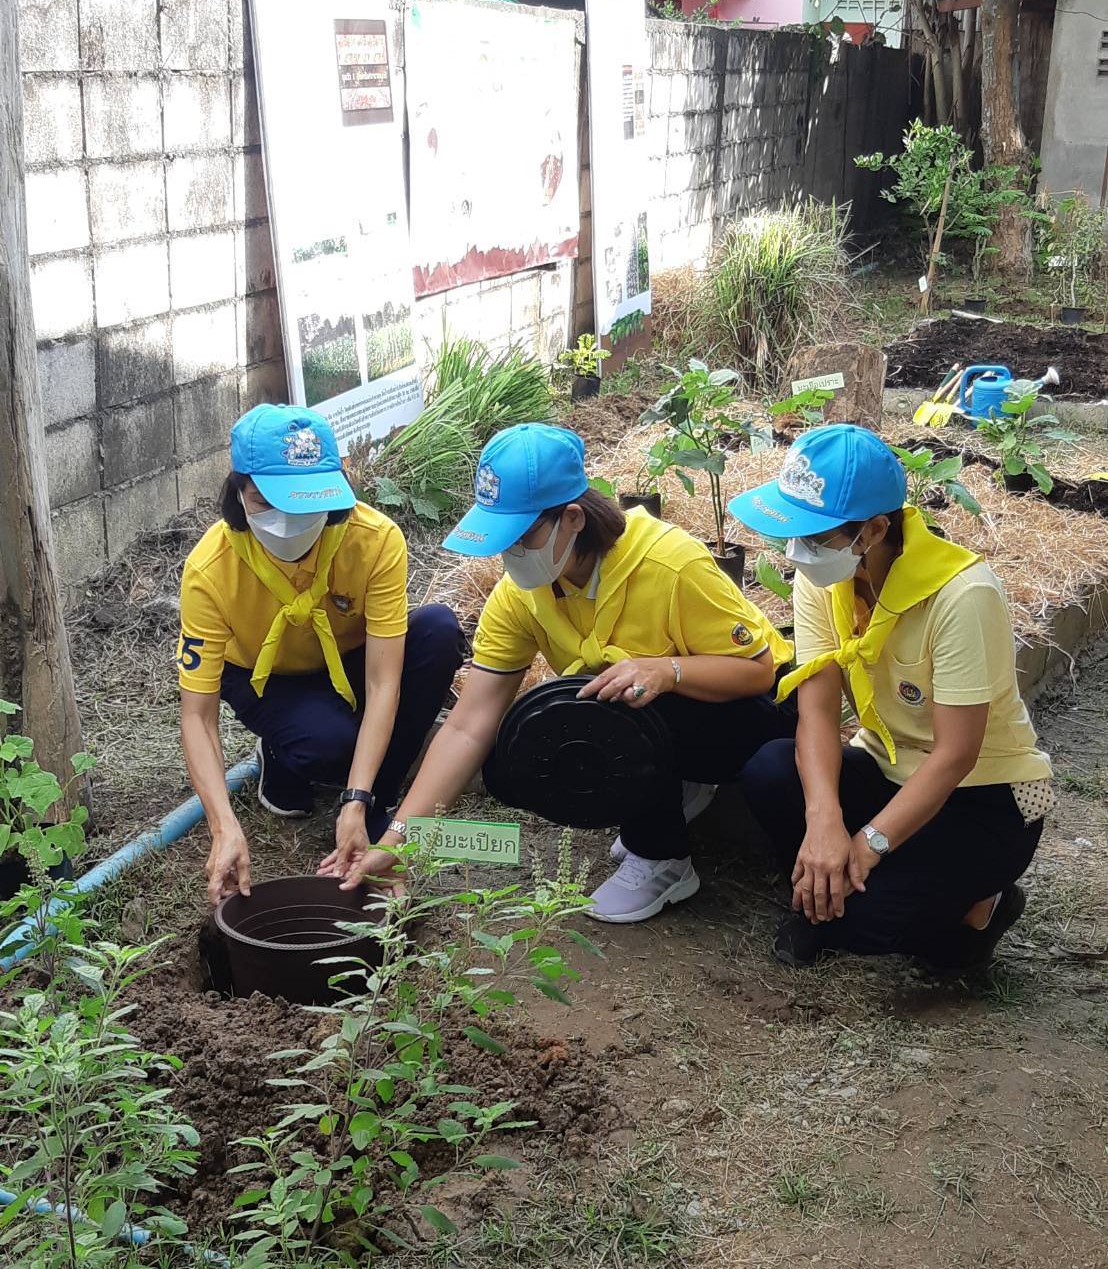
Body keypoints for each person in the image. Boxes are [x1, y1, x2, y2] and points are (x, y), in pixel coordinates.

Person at [341, 422, 795, 922]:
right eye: (500, 537)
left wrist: (667, 669)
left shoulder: (670, 565)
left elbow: (757, 673)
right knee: (511, 762)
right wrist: (399, 841)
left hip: (744, 717)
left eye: (521, 536)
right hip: (650, 714)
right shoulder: (521, 594)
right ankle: (666, 789)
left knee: (614, 703)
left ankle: (664, 858)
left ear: (573, 518)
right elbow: (469, 724)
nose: (509, 552)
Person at [730, 423, 1053, 971]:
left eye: (816, 536)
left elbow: (956, 755)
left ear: (875, 531)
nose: (798, 551)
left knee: (875, 923)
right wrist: (824, 823)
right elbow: (817, 709)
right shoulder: (821, 579)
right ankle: (826, 889)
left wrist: (864, 847)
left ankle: (984, 903)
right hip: (889, 767)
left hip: (984, 795)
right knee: (768, 769)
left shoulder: (962, 594)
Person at [178, 403, 464, 906]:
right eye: (266, 501)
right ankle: (283, 753)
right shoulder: (210, 568)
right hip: (264, 676)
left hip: (348, 660)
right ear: (238, 494)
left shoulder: (374, 541)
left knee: (438, 630)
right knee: (329, 743)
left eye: (305, 502)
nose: (289, 521)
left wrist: (355, 800)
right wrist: (224, 825)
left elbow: (382, 683)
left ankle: (377, 804)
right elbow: (198, 718)